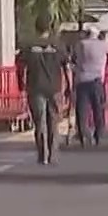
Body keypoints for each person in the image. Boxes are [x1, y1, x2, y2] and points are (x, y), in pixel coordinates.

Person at [15, 26, 67, 165]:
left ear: (37, 28)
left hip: (35, 88)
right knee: (53, 121)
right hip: (54, 88)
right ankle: (53, 153)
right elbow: (66, 66)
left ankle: (42, 154)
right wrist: (68, 86)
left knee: (40, 122)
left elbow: (19, 65)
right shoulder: (57, 46)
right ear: (48, 28)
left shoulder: (29, 47)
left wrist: (21, 84)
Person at [71, 27, 108, 146]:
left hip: (82, 79)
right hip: (97, 80)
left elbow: (74, 59)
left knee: (82, 110)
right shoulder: (104, 45)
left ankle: (83, 134)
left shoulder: (81, 44)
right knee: (98, 109)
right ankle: (98, 134)